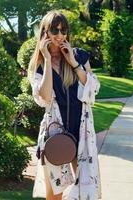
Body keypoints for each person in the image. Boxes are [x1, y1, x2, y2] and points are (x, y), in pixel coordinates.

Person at [27, 10, 102, 200]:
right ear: (45, 33)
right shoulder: (38, 65)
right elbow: (44, 97)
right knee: (54, 195)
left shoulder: (79, 56)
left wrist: (73, 63)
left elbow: (92, 89)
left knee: (89, 193)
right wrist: (46, 58)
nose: (60, 35)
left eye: (64, 30)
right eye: (55, 30)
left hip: (82, 132)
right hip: (55, 134)